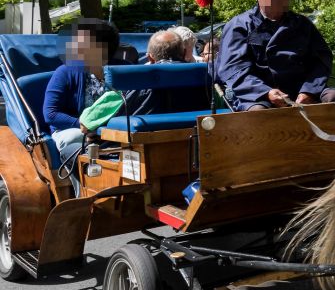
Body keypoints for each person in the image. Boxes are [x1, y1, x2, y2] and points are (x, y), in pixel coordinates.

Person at [216, 0, 335, 110]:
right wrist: (266, 92)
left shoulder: (302, 24)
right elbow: (234, 69)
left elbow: (321, 60)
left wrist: (309, 90)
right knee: (258, 113)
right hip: (258, 94)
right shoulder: (239, 25)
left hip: (302, 91)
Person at [42, 19, 119, 183]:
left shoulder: (121, 70)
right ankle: (84, 197)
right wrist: (83, 125)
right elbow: (50, 114)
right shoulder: (65, 72)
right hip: (74, 132)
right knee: (81, 152)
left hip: (113, 132)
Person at [121, 30, 211, 115]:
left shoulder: (140, 84)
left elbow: (119, 114)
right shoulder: (206, 78)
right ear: (184, 53)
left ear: (150, 58)